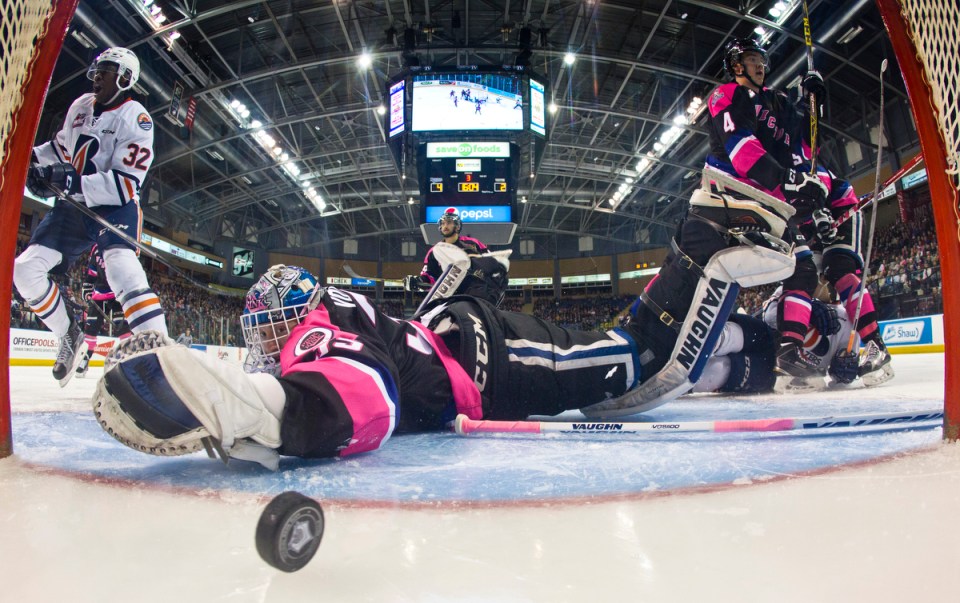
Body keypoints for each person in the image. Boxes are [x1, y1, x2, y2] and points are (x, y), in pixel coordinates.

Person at [92, 174, 800, 468]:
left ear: (294, 317)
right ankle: (756, 348)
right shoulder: (340, 309)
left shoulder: (318, 326)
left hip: (486, 364)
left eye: (271, 327)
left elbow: (363, 397)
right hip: (464, 339)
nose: (267, 342)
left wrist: (245, 406)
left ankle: (705, 234)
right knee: (624, 365)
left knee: (641, 363)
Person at [704, 37, 893, 387]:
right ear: (735, 65)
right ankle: (791, 349)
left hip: (825, 202)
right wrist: (792, 184)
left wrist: (813, 104)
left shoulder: (779, 106)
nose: (760, 65)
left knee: (835, 268)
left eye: (761, 59)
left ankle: (873, 346)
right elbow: (747, 154)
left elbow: (806, 147)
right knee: (802, 268)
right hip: (770, 197)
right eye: (751, 59)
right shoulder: (726, 96)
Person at [13, 47, 167, 387]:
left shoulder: (136, 118)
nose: (97, 76)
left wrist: (70, 181)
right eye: (97, 69)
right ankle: (69, 334)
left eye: (106, 70)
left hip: (114, 205)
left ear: (125, 78)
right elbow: (60, 148)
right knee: (24, 270)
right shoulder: (81, 106)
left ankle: (163, 360)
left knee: (122, 269)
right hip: (73, 205)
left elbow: (125, 184)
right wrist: (29, 161)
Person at [406, 209, 509, 307]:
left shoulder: (473, 243)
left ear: (457, 226)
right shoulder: (434, 252)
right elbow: (429, 276)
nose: (445, 226)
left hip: (477, 292)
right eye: (442, 223)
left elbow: (490, 261)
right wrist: (417, 281)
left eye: (449, 223)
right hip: (450, 296)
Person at [76, 245, 132, 378]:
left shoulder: (120, 244)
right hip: (99, 295)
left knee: (123, 329)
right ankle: (85, 359)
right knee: (91, 330)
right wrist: (87, 287)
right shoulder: (96, 249)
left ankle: (128, 360)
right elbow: (92, 272)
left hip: (118, 293)